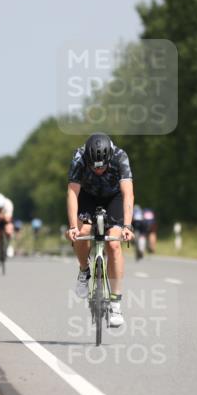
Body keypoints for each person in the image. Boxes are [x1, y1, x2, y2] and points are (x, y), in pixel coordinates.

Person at [65, 132, 134, 328]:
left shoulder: (120, 156)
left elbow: (128, 193)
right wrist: (72, 227)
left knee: (113, 244)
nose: (98, 171)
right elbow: (72, 193)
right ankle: (84, 270)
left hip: (113, 198)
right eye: (94, 167)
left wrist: (127, 225)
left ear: (109, 157)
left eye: (103, 166)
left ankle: (116, 304)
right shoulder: (78, 158)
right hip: (87, 196)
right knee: (82, 232)